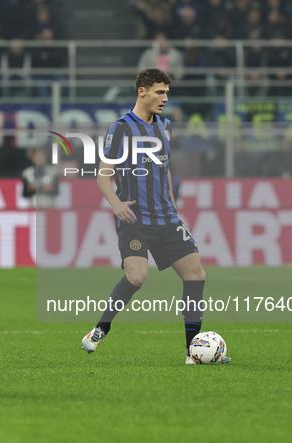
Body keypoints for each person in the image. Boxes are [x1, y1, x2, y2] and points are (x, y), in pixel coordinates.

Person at [80, 68, 231, 365]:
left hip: (166, 219)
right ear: (142, 92)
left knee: (196, 274)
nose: (165, 98)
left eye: (167, 93)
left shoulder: (165, 126)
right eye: (160, 92)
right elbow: (102, 174)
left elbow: (166, 168)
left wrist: (173, 205)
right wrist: (115, 204)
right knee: (136, 276)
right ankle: (100, 328)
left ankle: (192, 353)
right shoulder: (121, 128)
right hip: (134, 218)